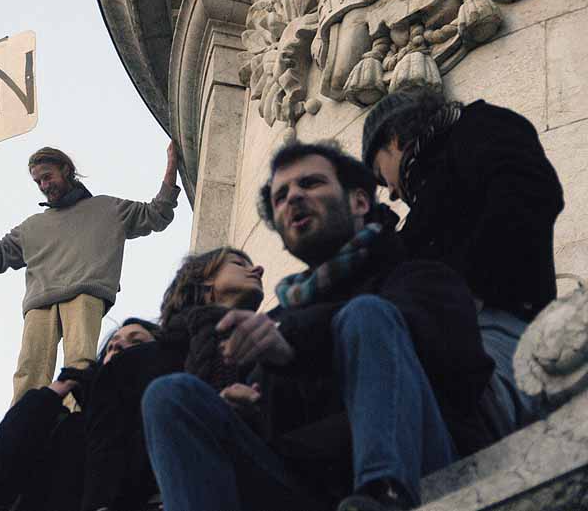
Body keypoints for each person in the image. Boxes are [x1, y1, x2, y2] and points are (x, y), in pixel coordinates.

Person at [141, 142, 494, 511]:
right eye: (280, 196)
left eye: (310, 184)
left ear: (359, 202)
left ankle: (383, 494)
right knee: (169, 397)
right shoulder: (278, 324)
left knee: (366, 316)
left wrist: (298, 346)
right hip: (312, 490)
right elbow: (288, 438)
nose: (293, 196)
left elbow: (460, 372)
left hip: (424, 471)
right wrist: (247, 415)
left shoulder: (417, 274)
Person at [362, 87, 564, 433]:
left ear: (394, 140)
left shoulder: (477, 126)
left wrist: (467, 289)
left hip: (498, 323)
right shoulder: (418, 210)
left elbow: (527, 193)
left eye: (383, 178)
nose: (393, 192)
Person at [0, 144, 180, 404]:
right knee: (29, 369)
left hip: (85, 291)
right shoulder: (33, 227)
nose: (43, 185)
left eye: (47, 176)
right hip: (40, 300)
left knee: (79, 360)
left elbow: (157, 213)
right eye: (38, 181)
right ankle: (22, 427)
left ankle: (77, 417)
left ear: (66, 170)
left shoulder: (107, 209)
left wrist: (171, 167)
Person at [81, 247, 265, 511]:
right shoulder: (134, 364)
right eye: (239, 263)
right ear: (204, 280)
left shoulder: (268, 354)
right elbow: (106, 451)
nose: (258, 269)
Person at [0, 318, 160, 511]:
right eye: (110, 345)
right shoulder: (61, 425)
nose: (117, 345)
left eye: (136, 342)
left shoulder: (161, 426)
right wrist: (48, 396)